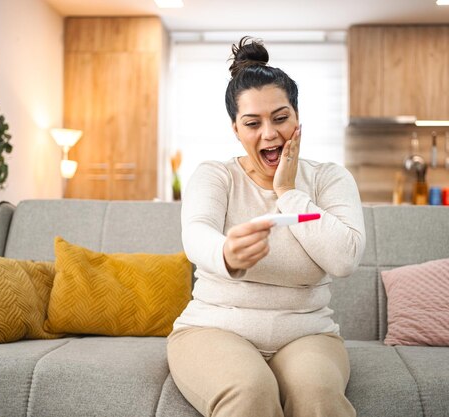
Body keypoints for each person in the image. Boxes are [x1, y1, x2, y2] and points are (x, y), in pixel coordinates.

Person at [167, 36, 365, 417]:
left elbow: (345, 259)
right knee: (250, 392)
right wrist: (225, 253)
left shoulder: (328, 180)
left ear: (297, 118)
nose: (270, 134)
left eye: (280, 118)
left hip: (308, 335)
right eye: (252, 123)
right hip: (214, 330)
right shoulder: (215, 176)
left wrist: (288, 192)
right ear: (235, 130)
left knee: (319, 399)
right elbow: (197, 232)